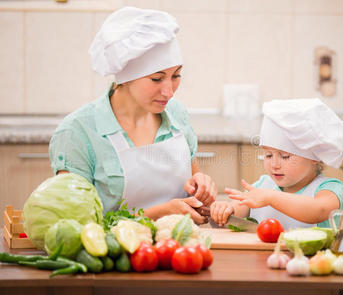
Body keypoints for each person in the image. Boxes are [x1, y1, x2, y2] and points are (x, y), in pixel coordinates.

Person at [49, 7, 217, 224]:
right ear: (125, 78)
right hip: (114, 257)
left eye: (176, 76)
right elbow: (75, 225)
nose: (169, 91)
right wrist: (158, 213)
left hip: (179, 252)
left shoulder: (177, 114)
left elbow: (192, 190)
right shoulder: (77, 133)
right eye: (157, 79)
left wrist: (201, 189)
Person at [210, 98, 343, 229]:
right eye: (268, 155)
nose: (274, 164)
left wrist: (271, 198)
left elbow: (319, 210)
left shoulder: (329, 188)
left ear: (315, 157)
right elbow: (242, 207)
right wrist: (227, 209)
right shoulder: (263, 184)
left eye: (285, 156)